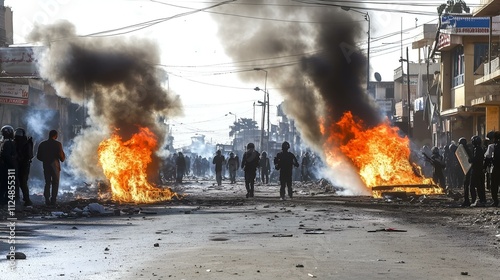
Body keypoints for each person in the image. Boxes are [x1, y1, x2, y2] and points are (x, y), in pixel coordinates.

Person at [36, 130, 66, 206]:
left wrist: (45, 160)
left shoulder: (42, 144)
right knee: (55, 183)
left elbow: (38, 156)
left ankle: (47, 199)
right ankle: (53, 200)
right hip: (55, 165)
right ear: (55, 136)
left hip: (46, 165)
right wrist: (62, 157)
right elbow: (61, 157)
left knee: (47, 182)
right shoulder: (57, 144)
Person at [14, 127, 34, 206]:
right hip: (19, 165)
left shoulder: (26, 143)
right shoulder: (17, 142)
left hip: (23, 165)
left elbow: (29, 155)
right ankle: (21, 199)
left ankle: (26, 199)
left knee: (22, 182)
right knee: (19, 183)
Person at [0, 125, 17, 206]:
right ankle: (6, 200)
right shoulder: (8, 143)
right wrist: (13, 165)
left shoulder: (3, 142)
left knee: (4, 184)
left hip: (3, 167)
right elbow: (7, 156)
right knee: (8, 184)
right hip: (7, 167)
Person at [469, 135, 486, 207]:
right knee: (480, 186)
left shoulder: (477, 149)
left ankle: (475, 200)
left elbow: (476, 159)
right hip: (480, 169)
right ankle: (482, 200)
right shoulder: (480, 148)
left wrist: (470, 160)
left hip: (476, 169)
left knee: (472, 186)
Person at [487, 131, 500, 207]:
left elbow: (488, 157)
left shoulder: (492, 146)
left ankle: (495, 201)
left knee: (494, 185)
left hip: (495, 168)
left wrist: (485, 167)